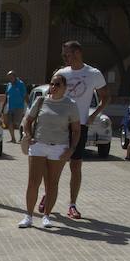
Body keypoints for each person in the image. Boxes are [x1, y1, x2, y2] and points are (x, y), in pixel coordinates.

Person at [51, 40, 106, 220]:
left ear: (77, 53)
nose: (64, 57)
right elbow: (51, 96)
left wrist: (94, 115)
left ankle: (72, 204)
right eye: (63, 55)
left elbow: (106, 97)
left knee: (75, 165)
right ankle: (48, 196)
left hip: (79, 126)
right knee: (54, 165)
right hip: (59, 125)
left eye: (66, 54)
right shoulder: (61, 73)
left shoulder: (93, 74)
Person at [18, 72, 80, 229]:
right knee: (33, 182)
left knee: (52, 183)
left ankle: (46, 215)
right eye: (52, 83)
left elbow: (76, 130)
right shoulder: (41, 101)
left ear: (65, 88)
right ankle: (29, 216)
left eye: (57, 84)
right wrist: (29, 135)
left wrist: (71, 150)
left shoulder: (70, 104)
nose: (53, 87)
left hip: (59, 148)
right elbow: (28, 121)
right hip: (38, 145)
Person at [2, 70, 27, 143]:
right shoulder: (9, 85)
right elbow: (7, 96)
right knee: (10, 123)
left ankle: (22, 137)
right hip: (10, 107)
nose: (10, 78)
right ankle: (13, 138)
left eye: (11, 76)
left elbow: (25, 95)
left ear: (14, 76)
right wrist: (3, 107)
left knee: (17, 123)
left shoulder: (21, 84)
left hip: (19, 107)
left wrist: (29, 105)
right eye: (8, 77)